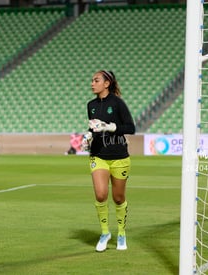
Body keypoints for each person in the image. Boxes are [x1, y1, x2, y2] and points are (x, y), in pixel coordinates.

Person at [82, 70, 135, 252]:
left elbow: (131, 128)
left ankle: (121, 233)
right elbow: (94, 128)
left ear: (106, 84)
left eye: (96, 80)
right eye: (92, 80)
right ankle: (105, 233)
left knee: (118, 198)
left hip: (119, 157)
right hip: (98, 156)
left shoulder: (118, 103)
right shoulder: (91, 105)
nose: (92, 83)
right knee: (100, 194)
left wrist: (111, 127)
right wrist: (88, 137)